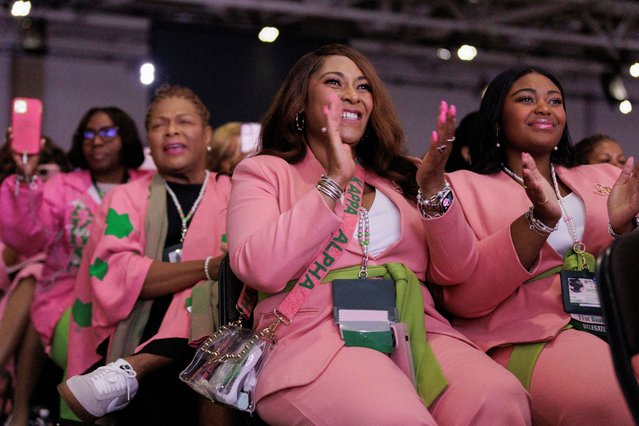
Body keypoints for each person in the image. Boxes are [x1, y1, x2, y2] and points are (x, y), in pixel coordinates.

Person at [226, 44, 530, 425]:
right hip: (314, 339)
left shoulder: (402, 175)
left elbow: (456, 270)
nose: (353, 95)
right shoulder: (264, 172)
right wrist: (334, 181)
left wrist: (434, 188)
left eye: (364, 87)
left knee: (500, 398)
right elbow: (258, 269)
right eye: (335, 82)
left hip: (415, 331)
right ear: (300, 103)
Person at [422, 65, 637, 425]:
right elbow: (463, 298)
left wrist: (619, 228)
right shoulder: (462, 187)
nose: (544, 107)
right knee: (614, 399)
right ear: (496, 119)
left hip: (611, 324)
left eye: (555, 100)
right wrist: (537, 223)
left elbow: (605, 264)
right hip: (525, 339)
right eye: (526, 99)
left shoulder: (603, 177)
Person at [58, 85, 232, 425]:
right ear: (149, 141)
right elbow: (119, 273)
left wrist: (212, 274)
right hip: (136, 331)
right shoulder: (125, 198)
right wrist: (209, 268)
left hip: (220, 339)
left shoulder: (235, 192)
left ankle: (133, 371)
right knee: (215, 280)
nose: (171, 130)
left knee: (219, 289)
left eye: (184, 121)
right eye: (159, 125)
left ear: (207, 134)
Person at [0, 107, 149, 424]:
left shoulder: (148, 186)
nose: (96, 141)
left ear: (127, 137)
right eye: (88, 134)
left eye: (107, 132)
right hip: (70, 298)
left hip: (134, 295)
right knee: (82, 339)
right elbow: (29, 239)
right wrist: (27, 177)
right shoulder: (63, 187)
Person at [0, 136, 72, 425]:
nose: (39, 181)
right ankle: (19, 408)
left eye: (46, 173)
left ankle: (20, 408)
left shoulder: (65, 211)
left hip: (48, 292)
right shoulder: (9, 206)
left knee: (38, 283)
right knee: (35, 279)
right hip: (11, 293)